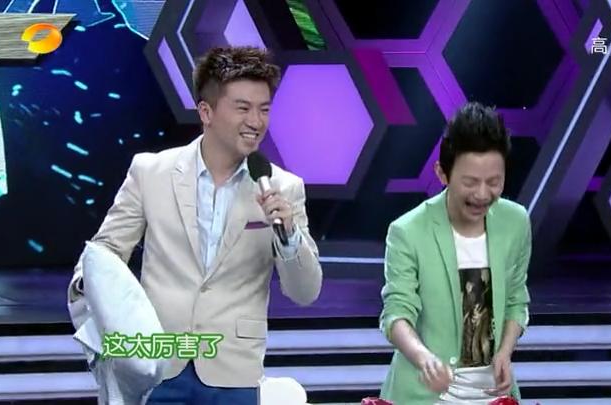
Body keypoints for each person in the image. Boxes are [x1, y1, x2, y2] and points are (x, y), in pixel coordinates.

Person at [67, 46, 323, 405]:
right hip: (158, 365)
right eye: (243, 108)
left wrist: (288, 234)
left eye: (264, 109)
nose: (256, 121)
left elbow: (305, 292)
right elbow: (105, 251)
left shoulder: (283, 187)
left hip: (233, 372)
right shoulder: (150, 172)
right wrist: (93, 301)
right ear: (206, 111)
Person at [379, 102, 531, 404]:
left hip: (494, 395)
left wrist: (505, 351)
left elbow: (516, 298)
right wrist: (425, 359)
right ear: (442, 173)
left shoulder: (515, 222)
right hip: (427, 395)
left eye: (494, 182)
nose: (483, 194)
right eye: (470, 182)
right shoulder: (408, 231)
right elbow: (396, 313)